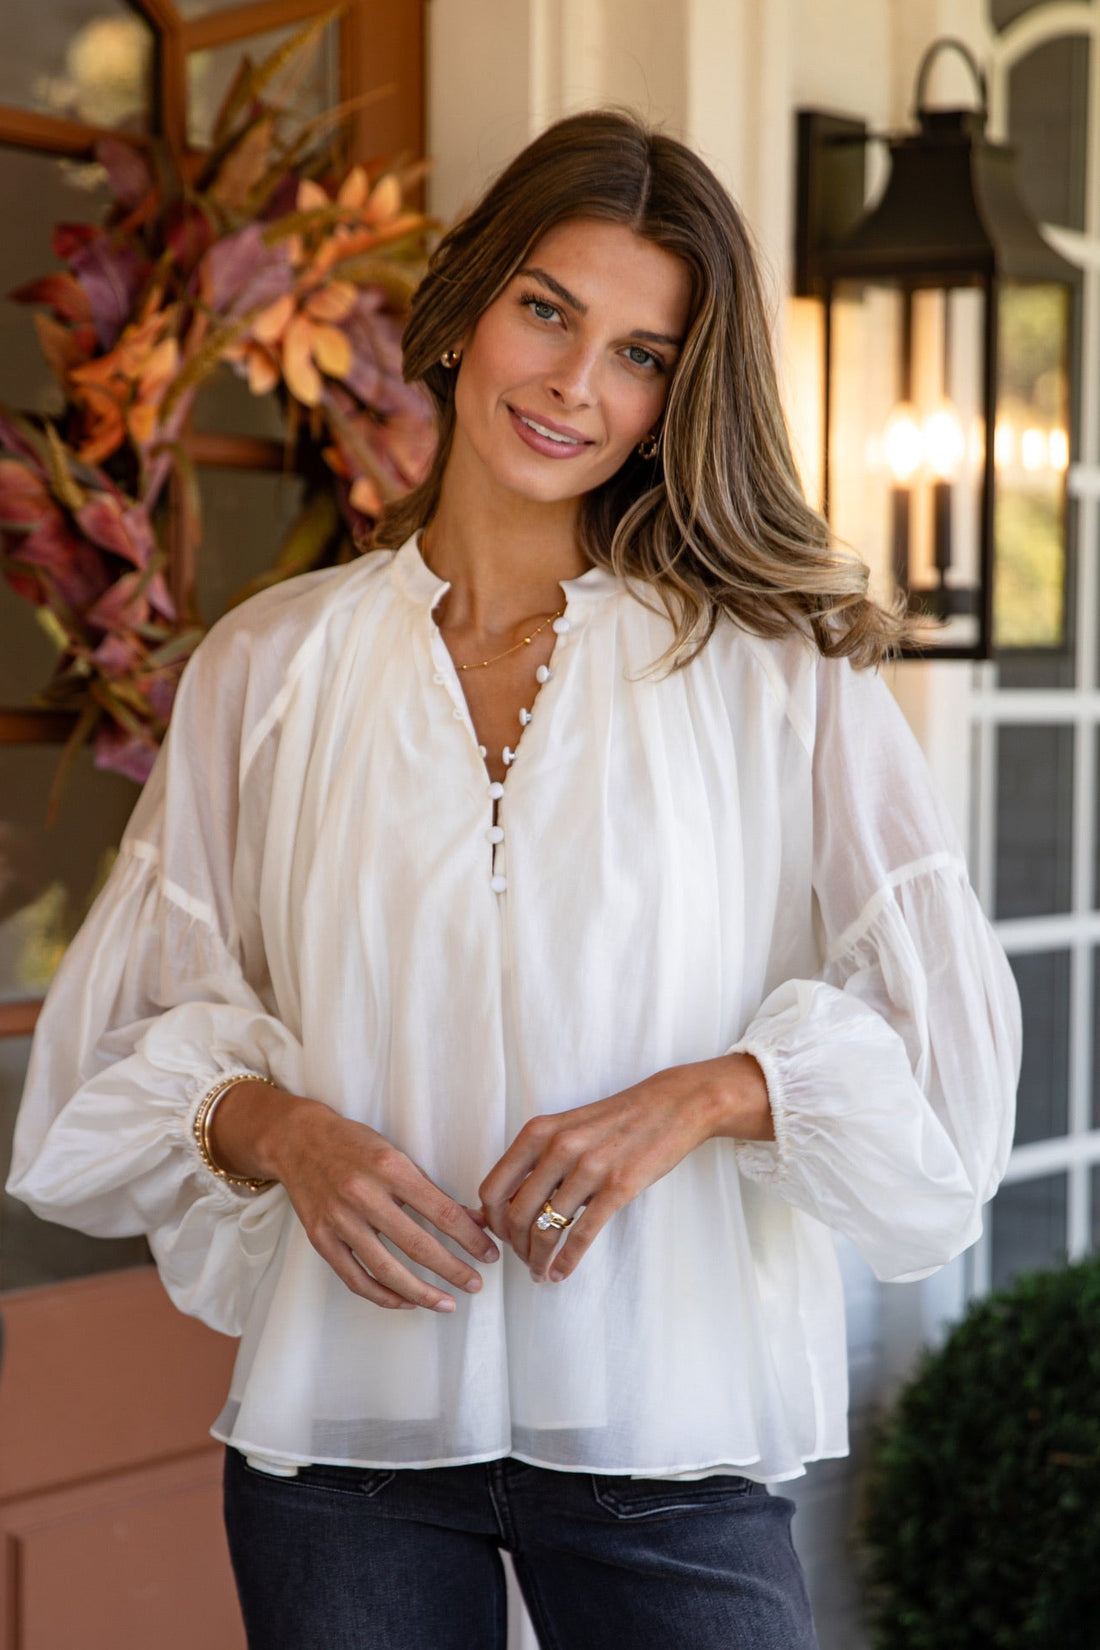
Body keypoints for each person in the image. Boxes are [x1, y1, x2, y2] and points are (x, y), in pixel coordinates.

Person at [7, 109, 1020, 1650]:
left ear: (680, 396)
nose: (572, 383)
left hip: (666, 1436)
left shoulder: (775, 676)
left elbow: (947, 1070)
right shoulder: (269, 668)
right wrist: (279, 1128)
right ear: (472, 301)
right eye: (549, 308)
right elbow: (122, 1050)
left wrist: (707, 1092)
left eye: (641, 353)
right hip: (343, 1444)